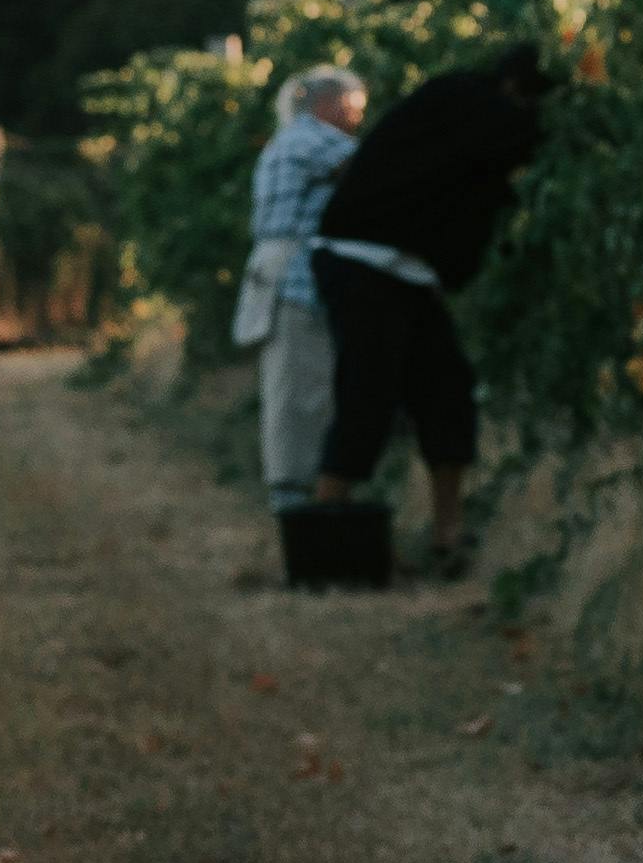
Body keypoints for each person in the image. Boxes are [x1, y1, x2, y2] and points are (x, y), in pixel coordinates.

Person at [311, 46, 557, 574]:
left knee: (446, 390)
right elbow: (514, 138)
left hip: (405, 271)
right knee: (367, 394)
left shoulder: (460, 104)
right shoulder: (472, 101)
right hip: (363, 259)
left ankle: (447, 536)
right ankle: (322, 535)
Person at [239, 66, 366, 515]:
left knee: (292, 384)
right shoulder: (313, 138)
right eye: (354, 110)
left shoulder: (288, 139)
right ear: (329, 103)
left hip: (276, 274)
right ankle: (299, 502)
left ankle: (298, 495)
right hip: (296, 277)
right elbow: (376, 164)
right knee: (302, 389)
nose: (357, 121)